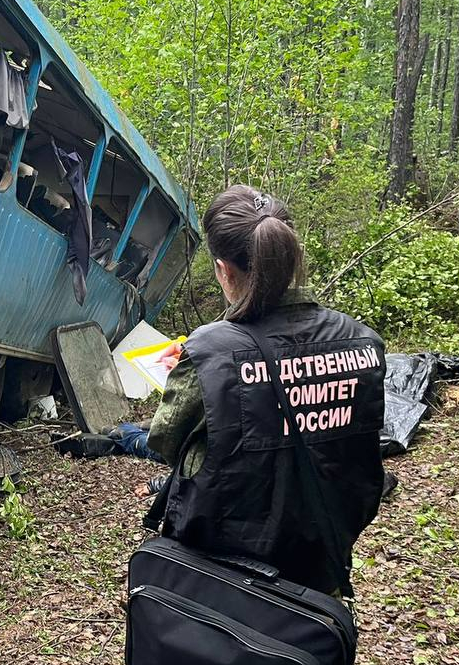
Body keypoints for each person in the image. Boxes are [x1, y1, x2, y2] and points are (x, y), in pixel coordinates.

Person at [147, 185, 385, 597]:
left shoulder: (209, 352)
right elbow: (355, 451)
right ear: (291, 254)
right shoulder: (363, 341)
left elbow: (167, 444)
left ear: (224, 270)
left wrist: (192, 375)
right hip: (318, 571)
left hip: (222, 573)